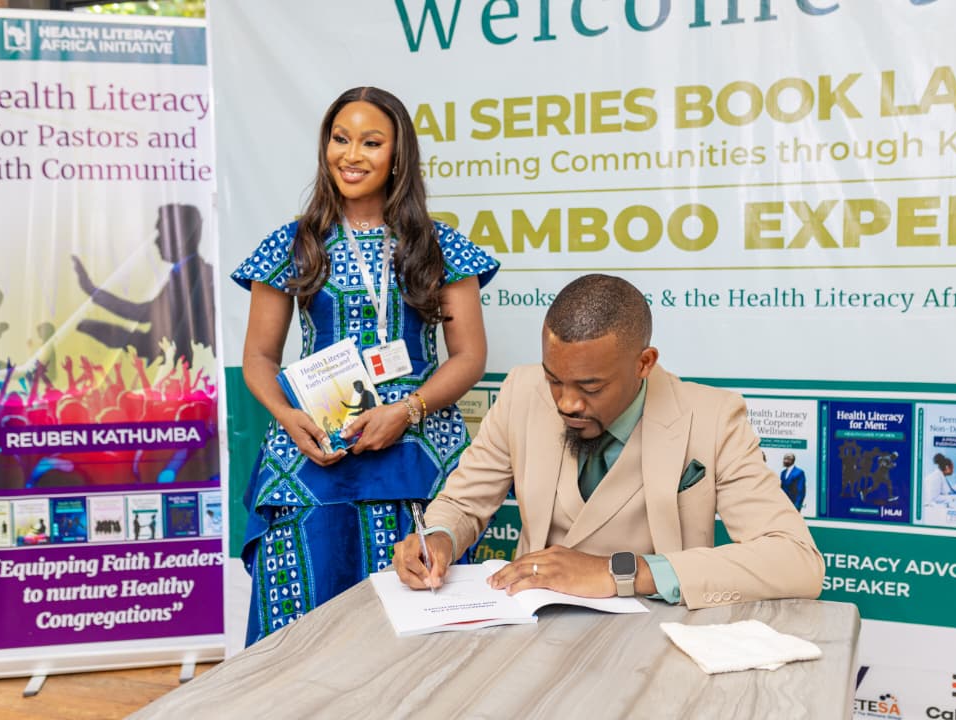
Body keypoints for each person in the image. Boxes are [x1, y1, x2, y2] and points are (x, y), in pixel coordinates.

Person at [232, 86, 499, 645]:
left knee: (420, 615)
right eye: (340, 138)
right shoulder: (294, 245)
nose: (351, 155)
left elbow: (470, 356)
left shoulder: (440, 247)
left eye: (371, 142)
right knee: (300, 608)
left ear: (398, 154)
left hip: (418, 446)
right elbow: (258, 357)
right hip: (315, 446)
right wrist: (285, 415)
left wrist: (407, 410)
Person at [395, 274, 822, 607]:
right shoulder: (521, 391)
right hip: (529, 634)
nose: (567, 402)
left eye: (591, 387)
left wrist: (622, 572)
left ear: (643, 363)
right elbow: (463, 504)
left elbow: (796, 561)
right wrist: (438, 536)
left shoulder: (712, 418)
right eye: (554, 379)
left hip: (657, 642)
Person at [72, 203, 216, 369]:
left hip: (186, 371)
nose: (156, 241)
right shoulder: (184, 273)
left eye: (161, 233)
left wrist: (92, 293)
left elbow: (145, 316)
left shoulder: (196, 276)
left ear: (180, 236)